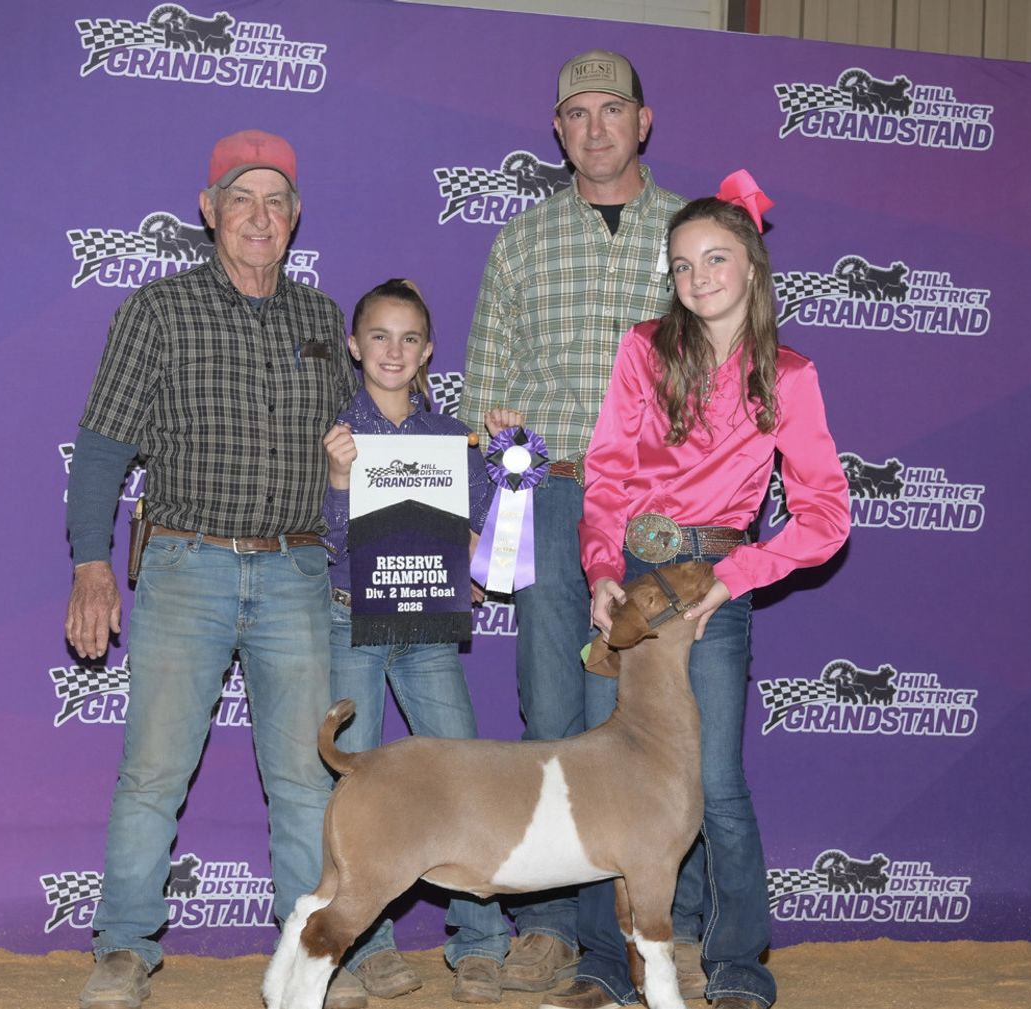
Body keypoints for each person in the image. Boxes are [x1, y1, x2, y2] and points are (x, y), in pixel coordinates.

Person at [64, 129, 357, 1009]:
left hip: (298, 571)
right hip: (186, 564)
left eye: (275, 201)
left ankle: (308, 954)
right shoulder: (154, 310)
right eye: (242, 198)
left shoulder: (320, 317)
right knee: (153, 768)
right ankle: (123, 946)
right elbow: (104, 449)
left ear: (295, 217)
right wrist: (91, 564)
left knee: (310, 777)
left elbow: (365, 450)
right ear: (208, 210)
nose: (259, 217)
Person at [578, 177, 851, 1009]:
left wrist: (737, 576)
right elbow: (609, 471)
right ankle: (603, 963)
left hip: (712, 590)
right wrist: (601, 566)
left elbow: (826, 514)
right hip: (634, 579)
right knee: (607, 775)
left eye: (716, 258)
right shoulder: (644, 348)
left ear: (754, 267)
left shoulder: (791, 376)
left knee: (719, 782)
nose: (697, 277)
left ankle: (737, 966)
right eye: (683, 263)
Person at [458, 49, 693, 1006]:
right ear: (557, 131)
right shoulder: (519, 242)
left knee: (652, 732)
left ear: (643, 120)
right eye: (576, 114)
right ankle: (553, 928)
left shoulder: (694, 232)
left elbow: (733, 370)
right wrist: (510, 441)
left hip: (663, 513)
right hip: (551, 497)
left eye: (612, 110)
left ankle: (654, 937)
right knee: (553, 707)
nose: (594, 128)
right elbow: (485, 389)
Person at [319, 279, 516, 1008]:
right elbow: (330, 544)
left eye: (409, 338)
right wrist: (339, 477)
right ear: (355, 345)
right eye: (379, 335)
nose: (394, 350)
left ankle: (481, 941)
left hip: (428, 628)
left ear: (428, 350)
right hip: (352, 620)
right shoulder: (338, 430)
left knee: (464, 780)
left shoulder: (453, 438)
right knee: (361, 786)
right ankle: (367, 947)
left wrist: (474, 536)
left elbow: (481, 540)